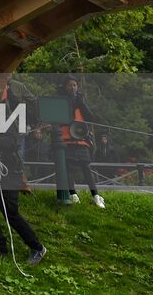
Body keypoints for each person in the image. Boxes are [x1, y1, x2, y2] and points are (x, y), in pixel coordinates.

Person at [0, 84, 47, 265]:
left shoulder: (6, 118)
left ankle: (37, 247)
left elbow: (13, 143)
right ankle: (0, 246)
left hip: (8, 172)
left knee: (10, 213)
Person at [58, 78, 104, 208]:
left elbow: (90, 117)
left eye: (74, 85)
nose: (72, 87)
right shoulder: (60, 100)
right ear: (65, 87)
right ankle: (73, 194)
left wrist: (81, 103)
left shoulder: (81, 101)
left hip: (81, 139)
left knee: (86, 168)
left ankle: (95, 195)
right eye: (70, 85)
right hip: (67, 139)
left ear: (77, 87)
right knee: (69, 168)